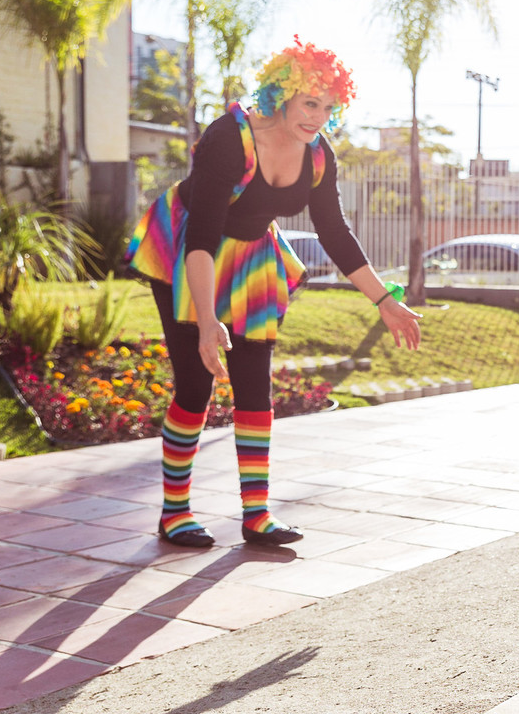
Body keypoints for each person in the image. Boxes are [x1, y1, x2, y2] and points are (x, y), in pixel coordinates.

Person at [124, 36, 422, 548]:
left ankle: (256, 515)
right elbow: (200, 237)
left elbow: (335, 233)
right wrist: (206, 318)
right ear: (282, 93)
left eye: (329, 108)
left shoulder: (318, 155)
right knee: (196, 384)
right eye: (310, 103)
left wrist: (384, 300)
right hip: (188, 250)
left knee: (254, 384)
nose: (318, 118)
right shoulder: (229, 138)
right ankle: (174, 512)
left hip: (254, 256)